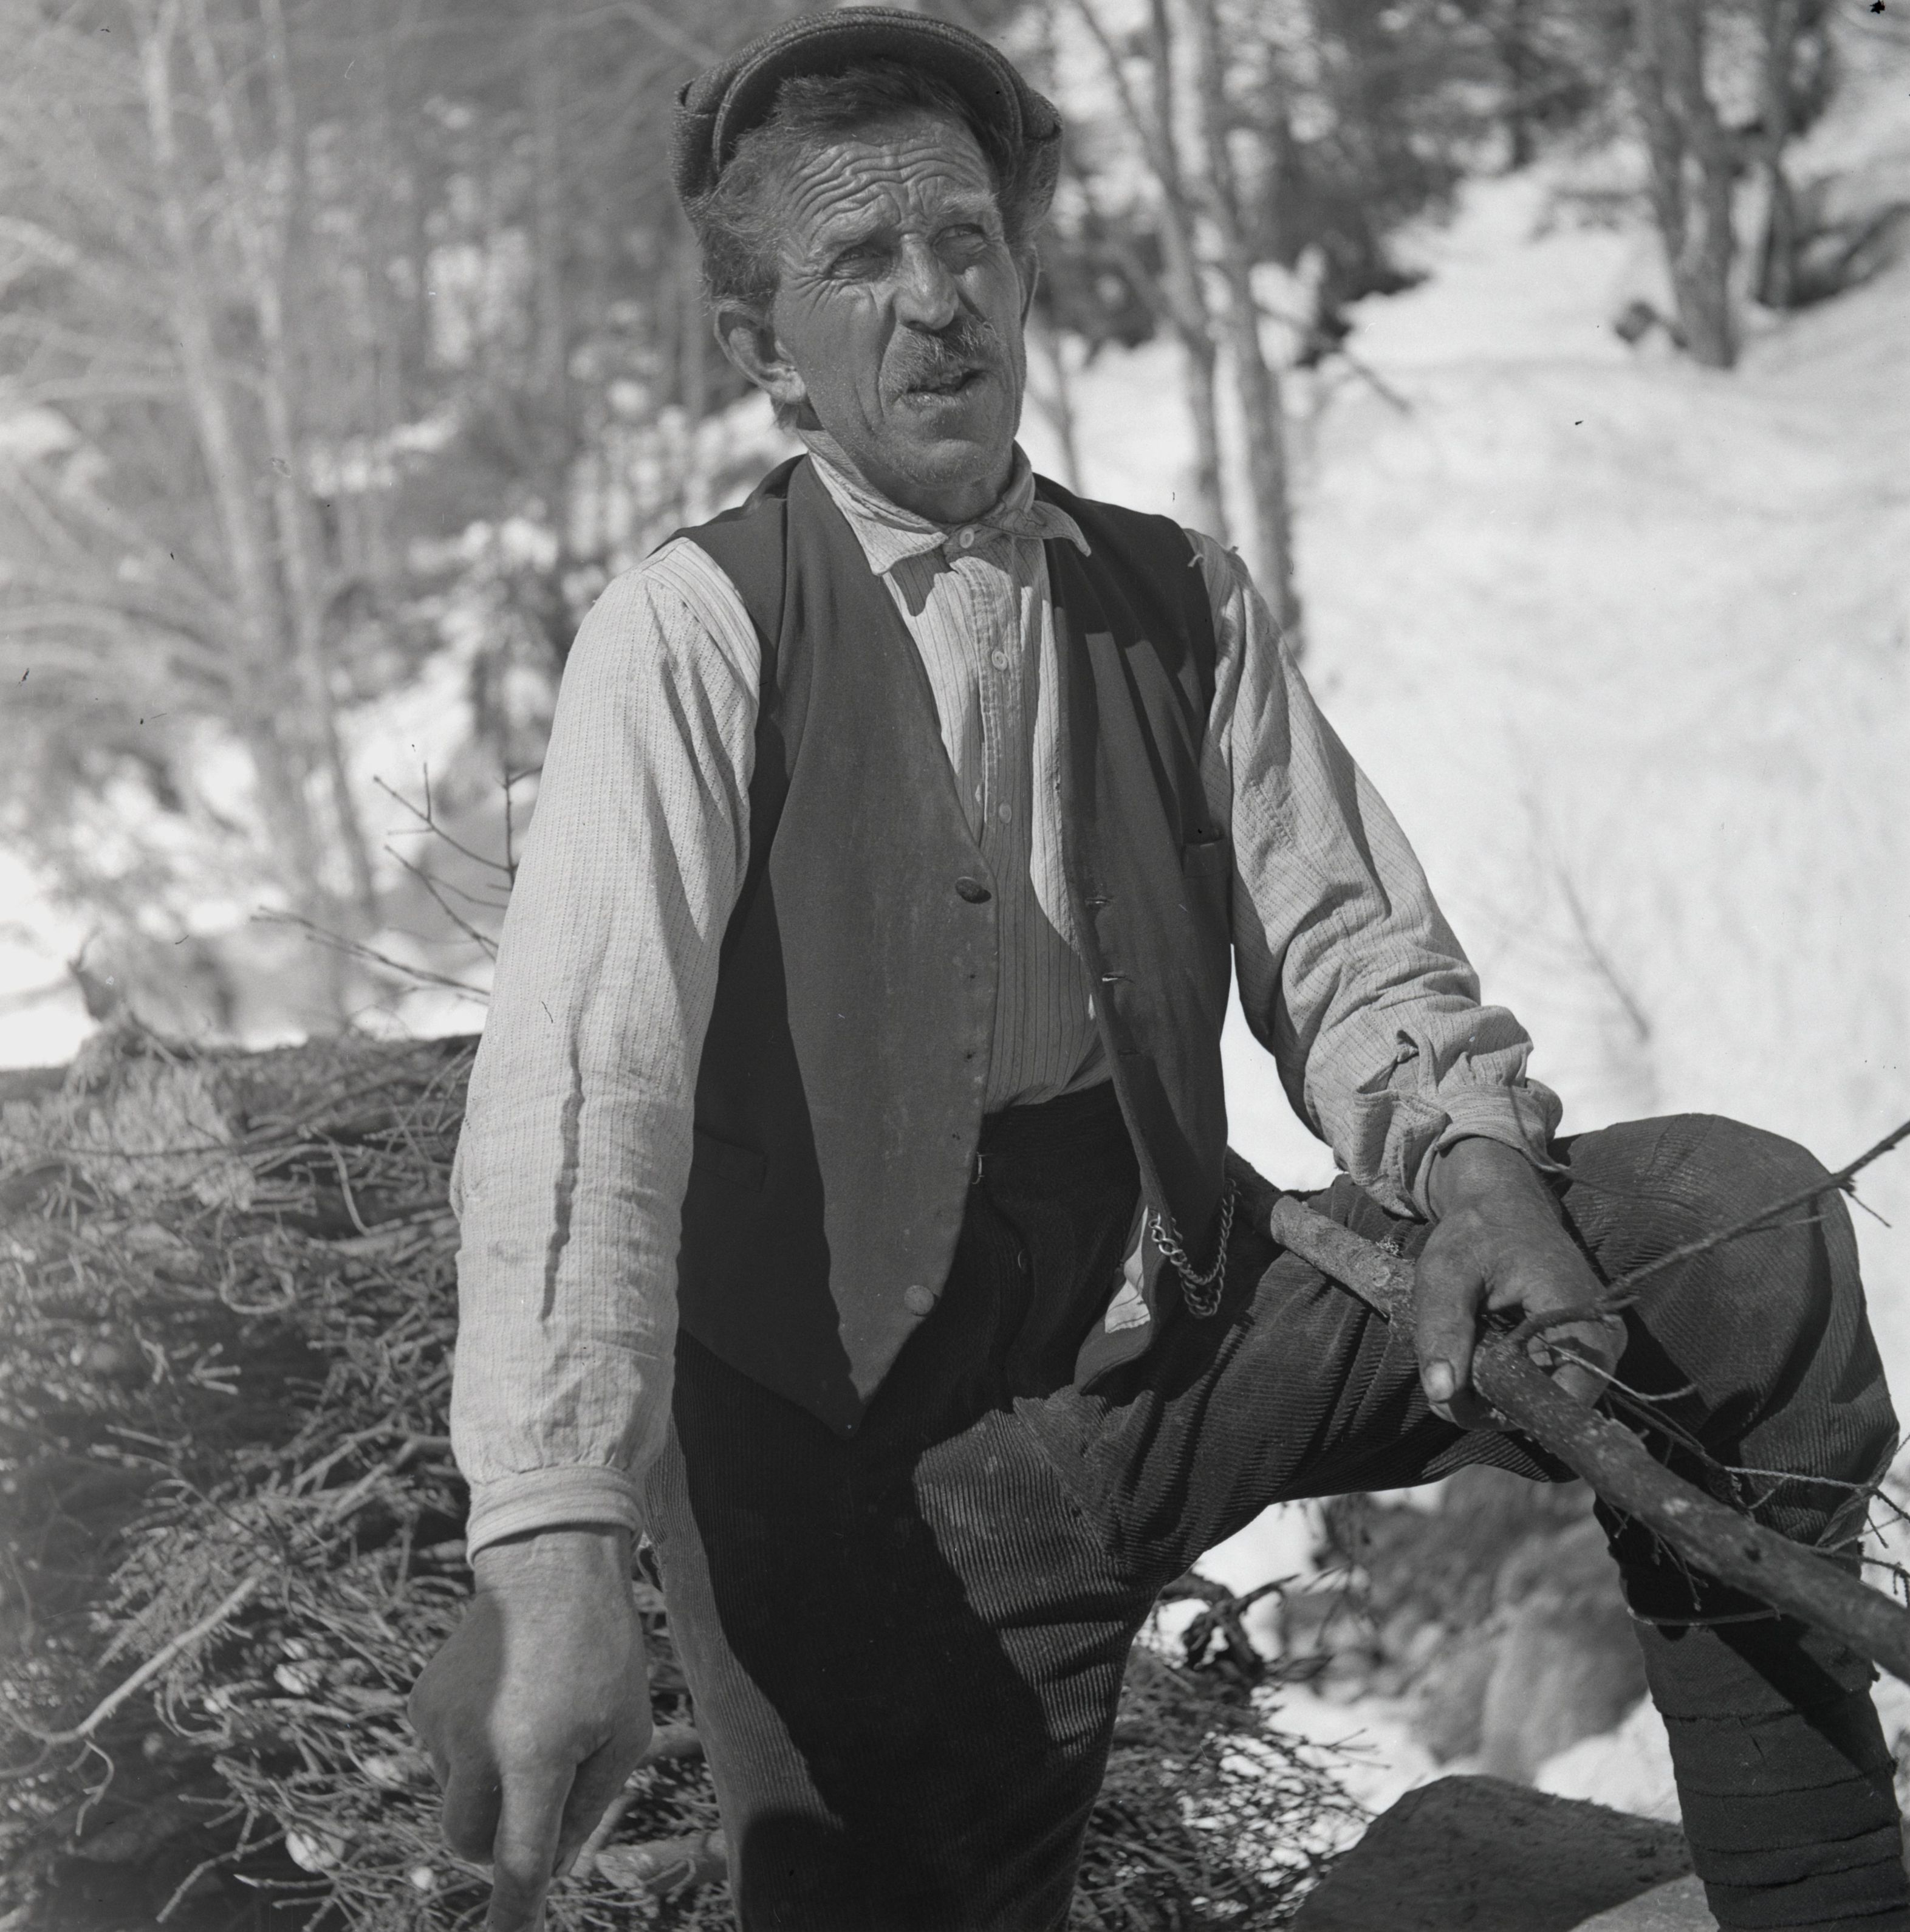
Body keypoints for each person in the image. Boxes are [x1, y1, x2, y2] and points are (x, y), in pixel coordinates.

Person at [408, 12, 1907, 1930]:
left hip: (1192, 1337)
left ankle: (1822, 1897)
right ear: (760, 350)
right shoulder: (692, 632)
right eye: (861, 260)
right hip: (874, 1473)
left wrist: (1474, 1166)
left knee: (1735, 1236)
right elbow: (582, 1094)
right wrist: (551, 1546)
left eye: (968, 238)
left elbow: (1349, 939)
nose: (937, 298)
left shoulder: (1179, 597)